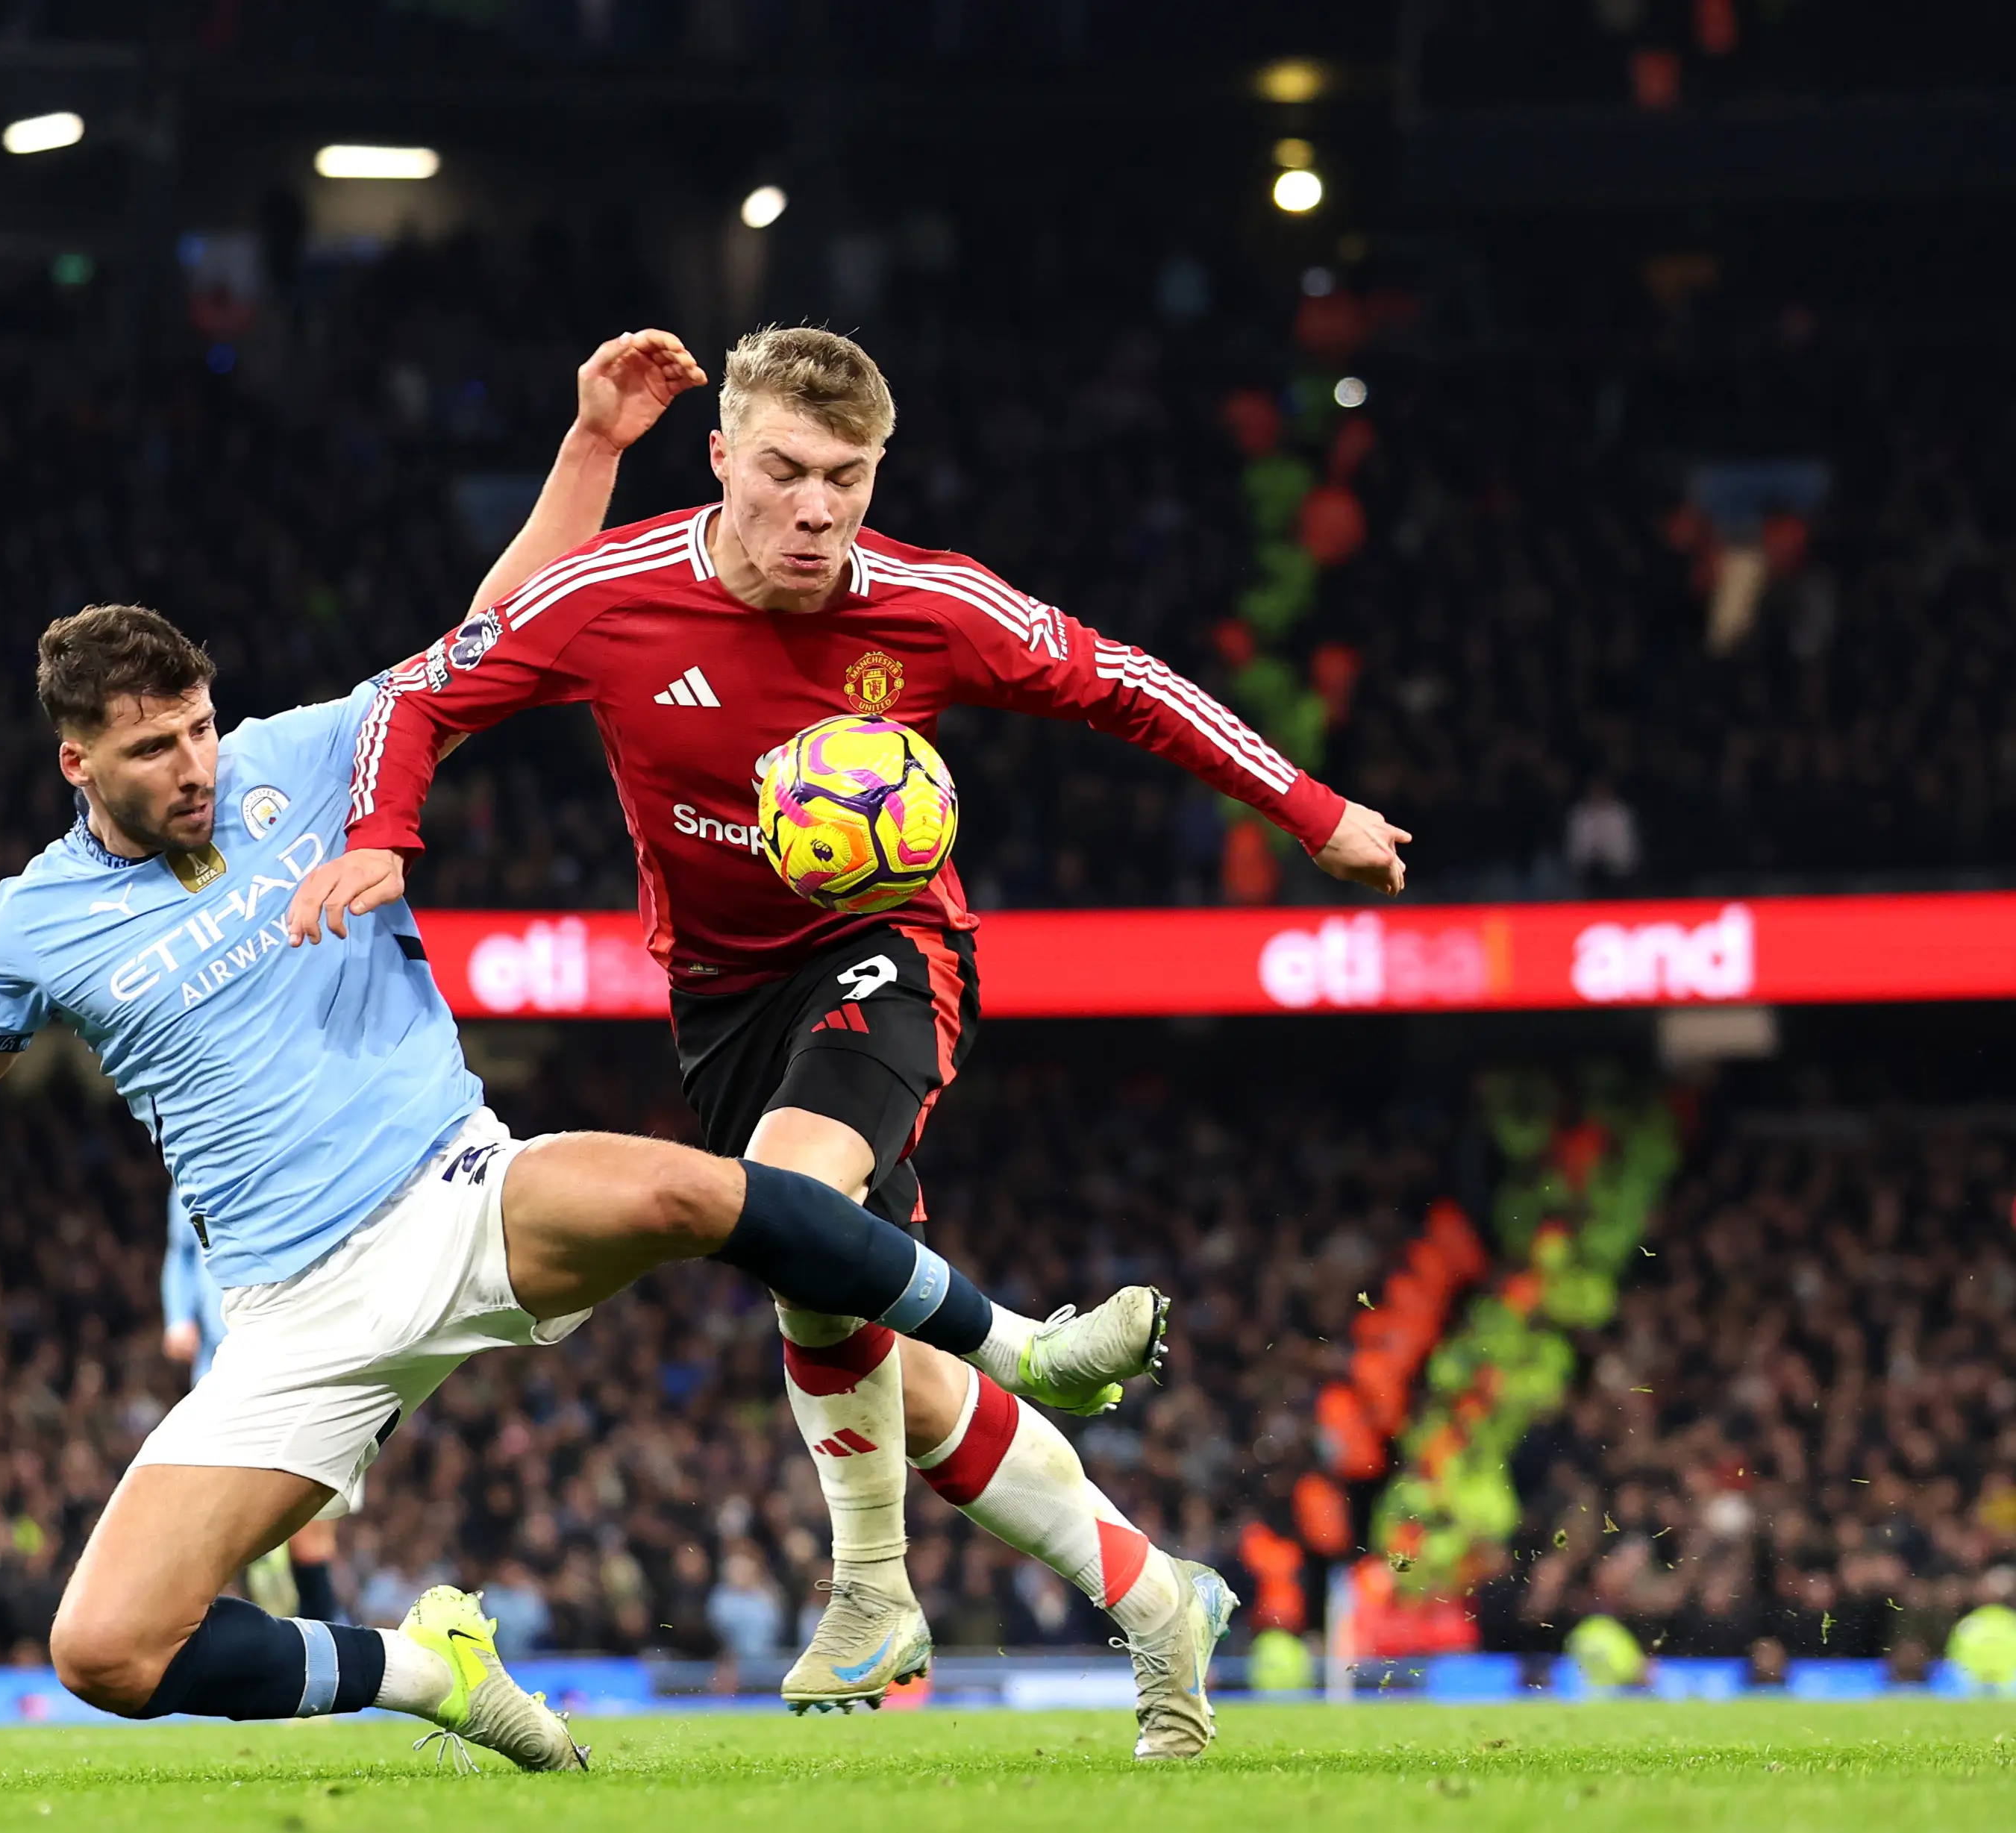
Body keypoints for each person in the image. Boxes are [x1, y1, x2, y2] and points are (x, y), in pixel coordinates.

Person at [0, 601, 1169, 1771]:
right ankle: (425, 1669)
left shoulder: (303, 756)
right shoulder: (31, 924)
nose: (193, 765)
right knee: (104, 1650)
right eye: (152, 749)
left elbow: (501, 632)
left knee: (696, 1194)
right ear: (74, 762)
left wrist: (594, 444)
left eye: (196, 728)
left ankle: (1022, 1341)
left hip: (462, 1193)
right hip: (289, 1312)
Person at [296, 324, 1414, 1755]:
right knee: (885, 1354)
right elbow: (419, 693)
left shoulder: (931, 607)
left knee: (794, 1209)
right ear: (720, 459)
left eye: (846, 477)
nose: (816, 509)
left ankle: (873, 1589)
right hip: (716, 998)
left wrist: (1312, 811)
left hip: (886, 952)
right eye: (782, 472)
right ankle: (1155, 1598)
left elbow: (1127, 681)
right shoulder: (611, 595)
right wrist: (386, 835)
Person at [164, 1197, 340, 1620]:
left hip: (301, 1363)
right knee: (225, 1524)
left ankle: (327, 1641)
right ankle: (248, 1641)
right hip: (220, 1368)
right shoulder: (191, 1161)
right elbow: (181, 1252)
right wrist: (177, 1318)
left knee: (309, 1527)